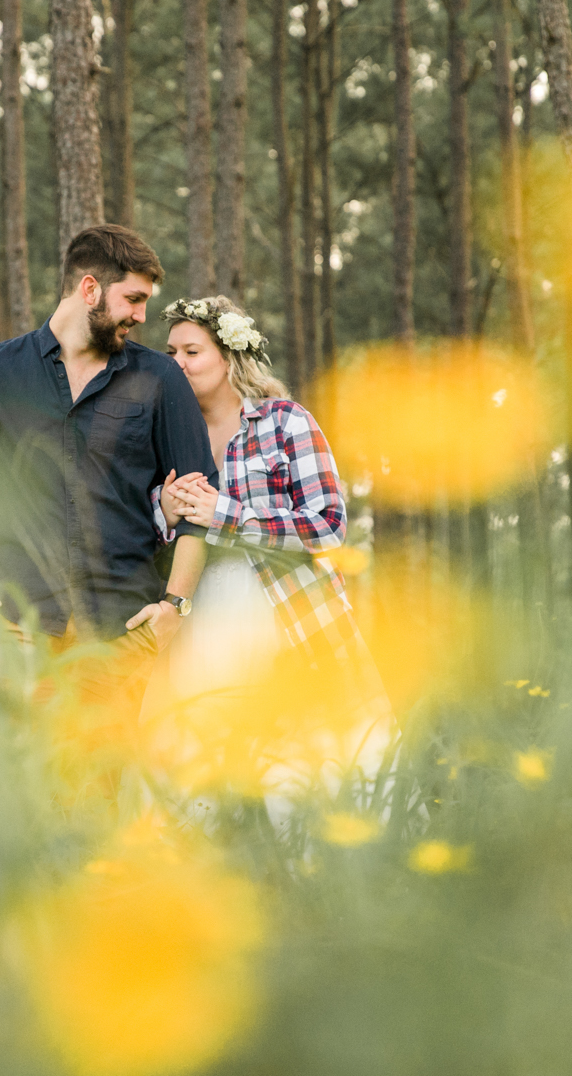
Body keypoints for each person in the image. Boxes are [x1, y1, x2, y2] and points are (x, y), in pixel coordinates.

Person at [0, 226, 220, 705]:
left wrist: (174, 607)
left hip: (119, 635)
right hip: (12, 626)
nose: (141, 316)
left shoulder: (161, 378)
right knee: (15, 779)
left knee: (98, 781)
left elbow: (198, 506)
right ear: (89, 289)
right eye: (133, 298)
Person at [147, 295, 391, 787]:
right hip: (200, 617)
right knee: (200, 757)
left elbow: (327, 524)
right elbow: (145, 527)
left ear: (228, 355)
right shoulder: (165, 433)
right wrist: (163, 511)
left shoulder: (284, 421)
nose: (176, 364)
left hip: (287, 612)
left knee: (301, 762)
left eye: (191, 352)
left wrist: (227, 516)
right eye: (170, 353)